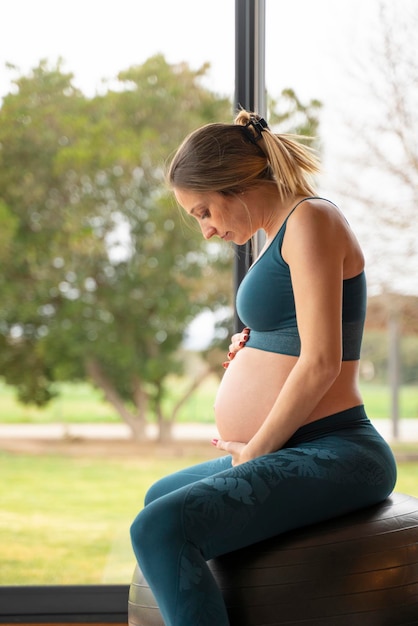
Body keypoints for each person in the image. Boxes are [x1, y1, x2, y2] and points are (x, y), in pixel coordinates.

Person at [130, 110, 397, 626]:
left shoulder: (310, 220)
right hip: (304, 442)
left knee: (158, 529)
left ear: (233, 186)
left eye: (204, 211)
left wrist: (254, 452)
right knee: (160, 498)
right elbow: (299, 332)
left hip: (337, 448)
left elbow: (321, 362)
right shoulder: (282, 231)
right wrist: (258, 344)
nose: (207, 230)